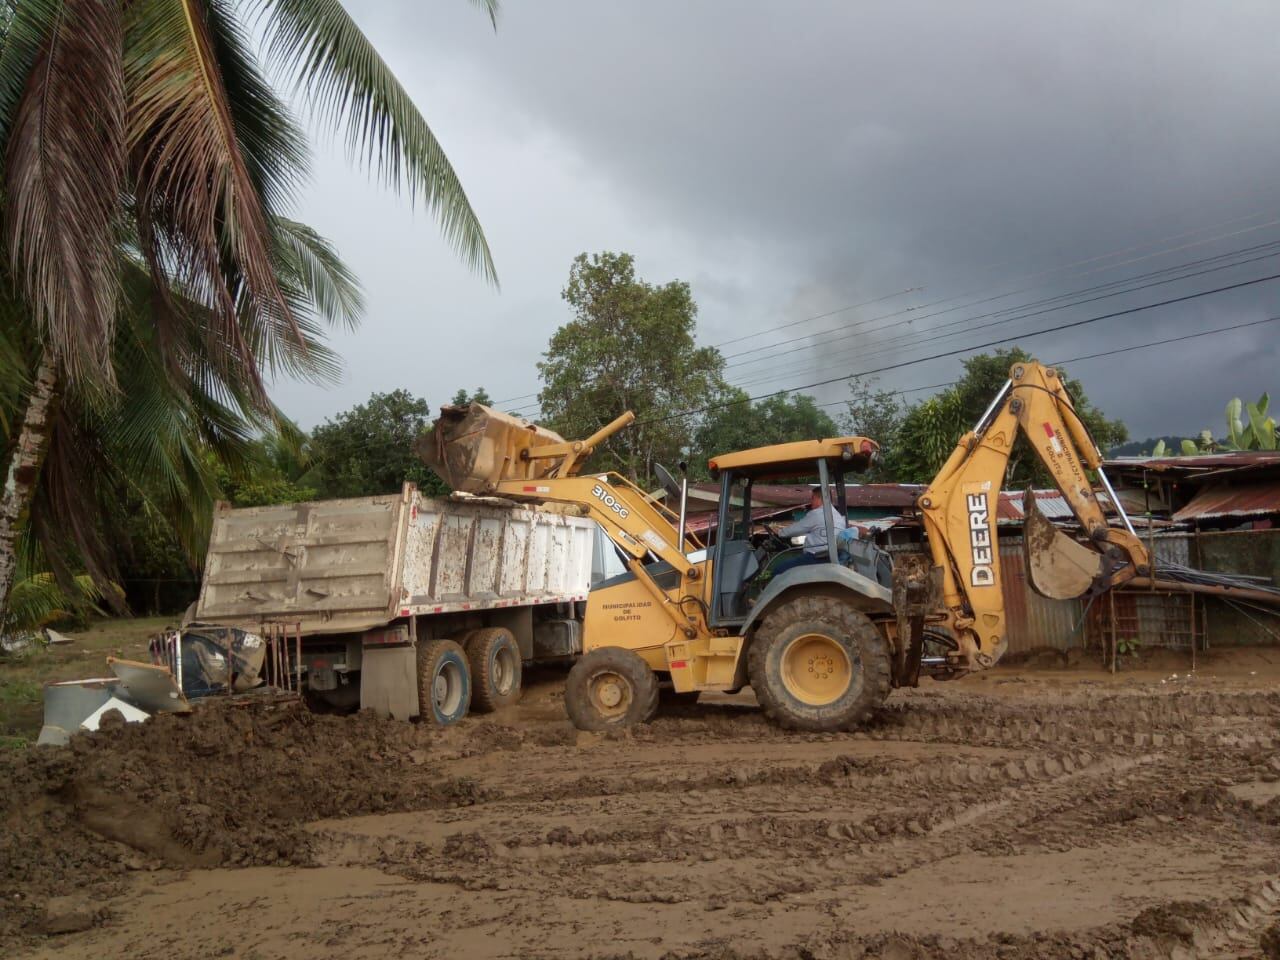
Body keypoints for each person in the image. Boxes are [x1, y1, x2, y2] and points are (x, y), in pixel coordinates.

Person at [771, 488, 847, 576]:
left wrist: (779, 532)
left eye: (812, 498)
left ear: (820, 499)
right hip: (831, 556)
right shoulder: (837, 515)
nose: (811, 502)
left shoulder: (817, 514)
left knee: (778, 570)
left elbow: (797, 528)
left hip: (816, 557)